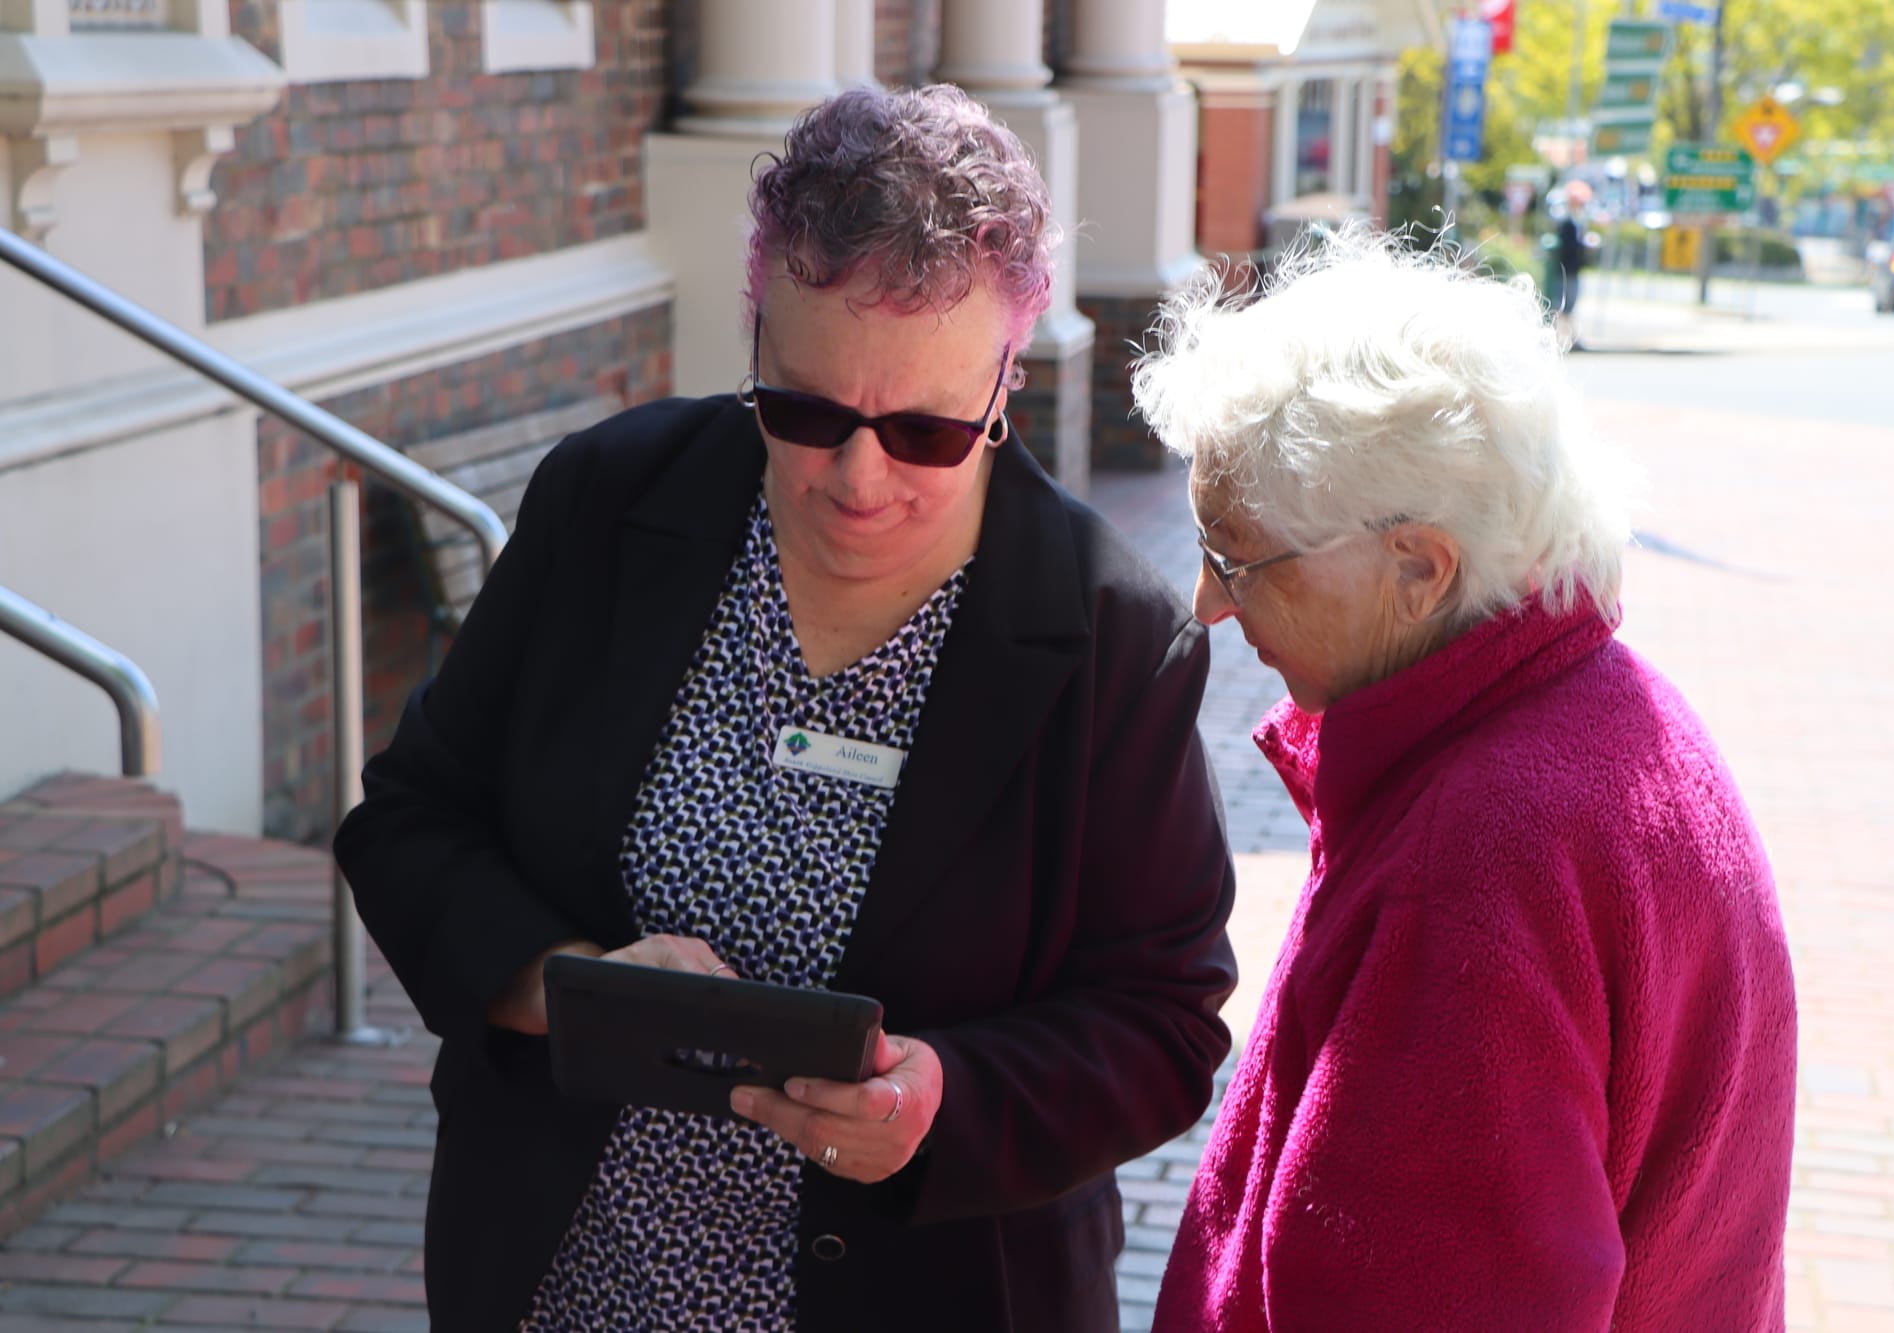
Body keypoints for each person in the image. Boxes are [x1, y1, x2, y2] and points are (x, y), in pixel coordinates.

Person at [333, 84, 1236, 1333]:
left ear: (1004, 384)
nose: (858, 477)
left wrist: (940, 1101)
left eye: (925, 429)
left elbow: (1162, 1017)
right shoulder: (611, 503)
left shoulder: (1105, 630)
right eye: (805, 411)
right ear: (753, 333)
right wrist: (565, 983)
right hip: (571, 1286)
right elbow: (409, 820)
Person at [1131, 228, 1797, 1331]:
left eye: (1239, 556)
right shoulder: (1602, 713)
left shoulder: (1478, 853)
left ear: (1418, 568)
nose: (1208, 602)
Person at [1553, 178, 1592, 347]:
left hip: (1574, 268)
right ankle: (1563, 339)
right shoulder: (1565, 222)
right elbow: (1567, 246)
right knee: (1563, 304)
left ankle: (1570, 338)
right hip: (1565, 268)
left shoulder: (1578, 222)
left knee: (1570, 304)